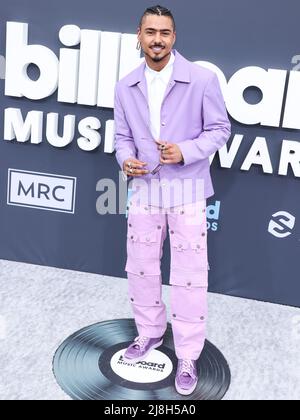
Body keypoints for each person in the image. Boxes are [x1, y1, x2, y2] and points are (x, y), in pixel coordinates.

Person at [114, 4, 231, 396]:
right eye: (151, 32)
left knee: (190, 274)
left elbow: (220, 129)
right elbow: (121, 138)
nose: (157, 39)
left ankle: (187, 354)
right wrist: (125, 160)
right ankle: (148, 334)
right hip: (144, 188)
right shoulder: (126, 85)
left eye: (164, 32)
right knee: (142, 268)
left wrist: (185, 150)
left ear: (174, 37)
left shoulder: (201, 79)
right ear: (139, 35)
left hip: (187, 189)